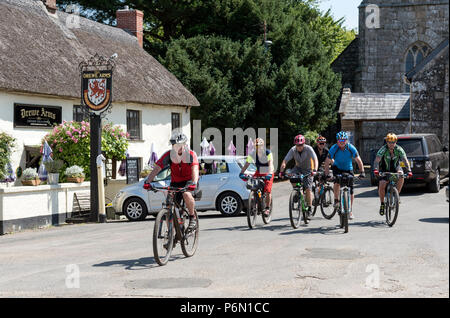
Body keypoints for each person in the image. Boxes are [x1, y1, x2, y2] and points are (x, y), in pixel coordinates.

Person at [144, 132, 199, 231]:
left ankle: (192, 217)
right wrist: (148, 182)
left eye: (179, 145)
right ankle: (171, 234)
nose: (177, 148)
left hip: (189, 181)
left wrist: (194, 182)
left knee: (186, 194)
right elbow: (157, 169)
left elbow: (195, 168)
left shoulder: (191, 154)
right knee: (169, 205)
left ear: (185, 145)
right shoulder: (168, 155)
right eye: (174, 145)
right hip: (175, 183)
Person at [323, 131, 365, 220]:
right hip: (337, 168)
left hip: (348, 169)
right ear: (337, 141)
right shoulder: (334, 148)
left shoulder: (351, 147)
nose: (341, 142)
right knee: (337, 183)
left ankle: (350, 211)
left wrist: (362, 172)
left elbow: (358, 160)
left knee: (351, 190)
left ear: (346, 140)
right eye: (340, 141)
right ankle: (336, 200)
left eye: (343, 140)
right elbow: (327, 162)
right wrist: (327, 174)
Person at [279, 134, 319, 217]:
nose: (299, 147)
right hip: (297, 168)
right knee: (292, 178)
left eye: (301, 145)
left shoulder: (309, 149)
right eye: (298, 145)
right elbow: (285, 161)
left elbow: (315, 159)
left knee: (308, 189)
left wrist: (314, 170)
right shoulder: (293, 150)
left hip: (308, 169)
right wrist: (281, 172)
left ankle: (310, 207)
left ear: (304, 144)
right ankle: (296, 192)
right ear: (295, 145)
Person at [373, 133, 412, 215]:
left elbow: (405, 160)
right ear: (387, 142)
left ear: (396, 142)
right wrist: (376, 169)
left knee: (401, 176)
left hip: (396, 167)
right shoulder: (383, 149)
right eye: (390, 142)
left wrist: (409, 170)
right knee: (382, 184)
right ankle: (382, 204)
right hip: (384, 168)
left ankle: (396, 195)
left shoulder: (399, 149)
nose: (392, 144)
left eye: (393, 142)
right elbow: (377, 160)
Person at [240, 138, 274, 217]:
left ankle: (267, 208)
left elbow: (271, 164)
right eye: (256, 146)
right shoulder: (252, 154)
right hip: (258, 171)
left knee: (268, 190)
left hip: (268, 171)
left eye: (259, 146)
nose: (258, 147)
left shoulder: (268, 152)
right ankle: (256, 200)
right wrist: (241, 173)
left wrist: (269, 173)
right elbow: (246, 164)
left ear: (263, 145)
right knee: (253, 185)